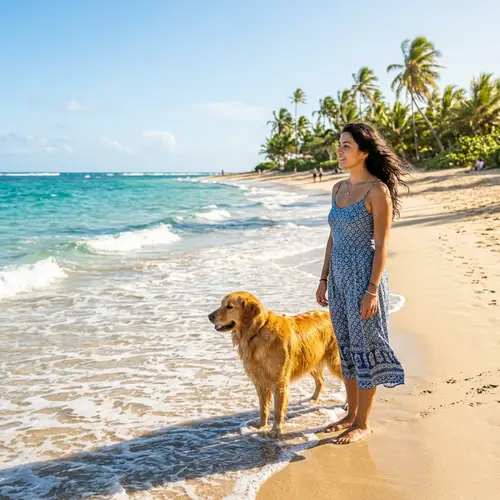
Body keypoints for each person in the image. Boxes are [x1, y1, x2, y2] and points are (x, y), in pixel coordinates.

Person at [316, 122, 408, 444]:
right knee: (346, 348)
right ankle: (351, 412)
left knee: (366, 346)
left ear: (363, 153)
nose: (339, 151)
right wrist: (323, 279)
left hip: (364, 278)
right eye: (339, 145)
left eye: (346, 146)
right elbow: (332, 237)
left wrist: (371, 291)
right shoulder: (338, 189)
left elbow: (381, 246)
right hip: (339, 277)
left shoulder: (376, 191)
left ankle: (363, 422)